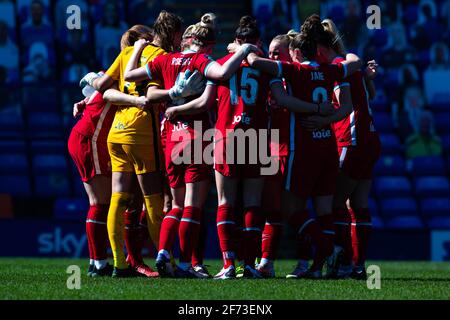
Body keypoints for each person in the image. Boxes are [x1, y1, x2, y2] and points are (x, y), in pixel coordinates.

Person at [124, 13, 261, 278]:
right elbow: (217, 80)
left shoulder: (164, 59)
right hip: (198, 134)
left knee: (175, 205)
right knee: (193, 206)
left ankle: (164, 251)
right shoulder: (202, 60)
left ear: (186, 39)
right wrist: (243, 50)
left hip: (171, 137)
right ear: (207, 45)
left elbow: (130, 76)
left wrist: (138, 49)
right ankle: (187, 263)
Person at [246, 14, 362, 278]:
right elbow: (353, 65)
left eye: (281, 52)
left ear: (294, 52)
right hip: (327, 147)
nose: (276, 57)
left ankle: (326, 250)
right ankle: (319, 267)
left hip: (301, 150)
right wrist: (326, 113)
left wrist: (242, 49)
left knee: (288, 208)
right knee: (323, 210)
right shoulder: (329, 69)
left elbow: (255, 63)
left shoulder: (293, 71)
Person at [80, 11, 183, 277]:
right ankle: (166, 261)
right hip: (142, 132)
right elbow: (153, 96)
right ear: (173, 35)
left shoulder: (127, 54)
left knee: (119, 198)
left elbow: (101, 85)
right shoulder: (164, 58)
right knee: (153, 199)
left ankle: (119, 263)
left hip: (117, 132)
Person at [68, 25, 156, 278]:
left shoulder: (128, 66)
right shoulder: (126, 66)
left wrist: (86, 95)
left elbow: (97, 89)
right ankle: (98, 263)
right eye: (148, 41)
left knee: (111, 202)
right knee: (101, 202)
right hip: (91, 137)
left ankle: (107, 261)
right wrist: (138, 101)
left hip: (93, 136)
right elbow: (107, 91)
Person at [320, 18, 381, 279]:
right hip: (370, 139)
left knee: (334, 202)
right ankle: (357, 266)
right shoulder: (349, 62)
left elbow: (344, 102)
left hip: (351, 139)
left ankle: (343, 262)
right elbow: (370, 94)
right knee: (358, 203)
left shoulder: (337, 66)